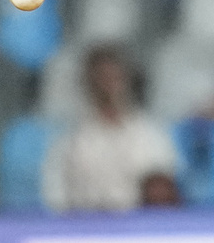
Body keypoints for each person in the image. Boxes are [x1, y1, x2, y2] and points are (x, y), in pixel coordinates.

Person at [42, 44, 178, 212]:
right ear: (88, 83)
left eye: (114, 77)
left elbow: (164, 195)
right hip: (84, 229)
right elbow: (55, 198)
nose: (108, 85)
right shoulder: (69, 142)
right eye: (101, 78)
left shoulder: (152, 136)